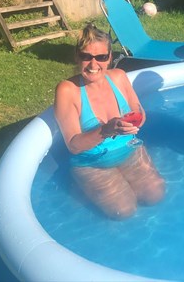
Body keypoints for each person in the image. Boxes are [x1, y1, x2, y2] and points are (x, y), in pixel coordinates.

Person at [54, 23, 165, 219]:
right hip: (92, 163)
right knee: (123, 211)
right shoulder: (68, 90)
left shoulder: (119, 77)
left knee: (155, 195)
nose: (93, 64)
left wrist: (136, 120)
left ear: (110, 57)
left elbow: (139, 111)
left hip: (129, 150)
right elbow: (73, 145)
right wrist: (105, 130)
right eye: (86, 56)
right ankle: (78, 188)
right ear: (77, 57)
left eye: (101, 57)